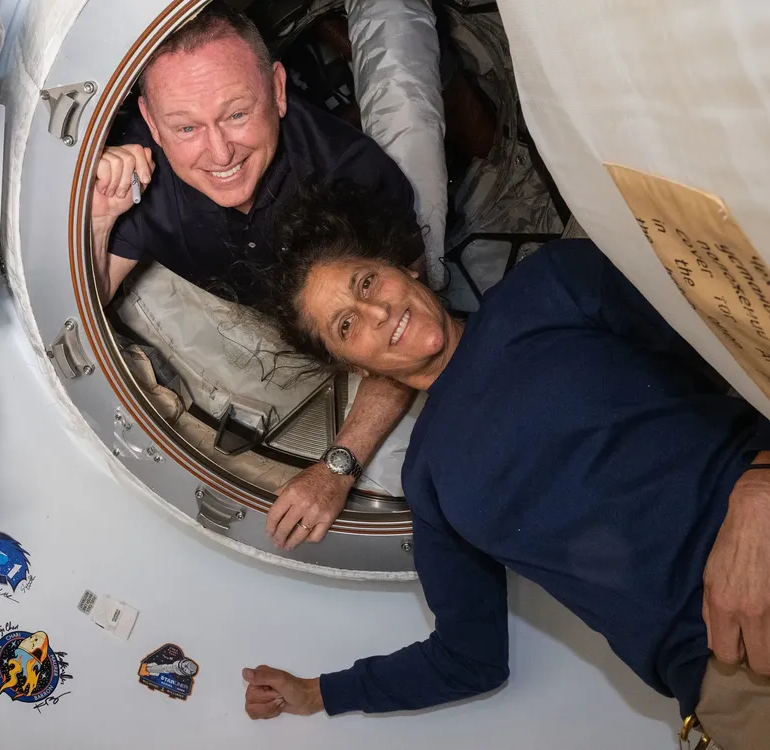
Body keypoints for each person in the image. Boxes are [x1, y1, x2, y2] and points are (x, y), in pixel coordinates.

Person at [240, 183, 770, 750]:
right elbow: (469, 658)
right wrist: (321, 693)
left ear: (405, 269)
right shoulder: (428, 482)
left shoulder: (549, 285)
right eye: (346, 325)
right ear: (351, 365)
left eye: (367, 282)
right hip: (727, 674)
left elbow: (747, 337)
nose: (377, 311)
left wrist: (760, 486)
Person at [90, 2, 425, 549]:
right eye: (186, 126)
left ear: (277, 89)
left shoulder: (353, 177)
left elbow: (409, 333)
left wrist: (337, 467)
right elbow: (86, 301)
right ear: (151, 122)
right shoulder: (140, 174)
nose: (219, 151)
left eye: (237, 114)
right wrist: (100, 218)